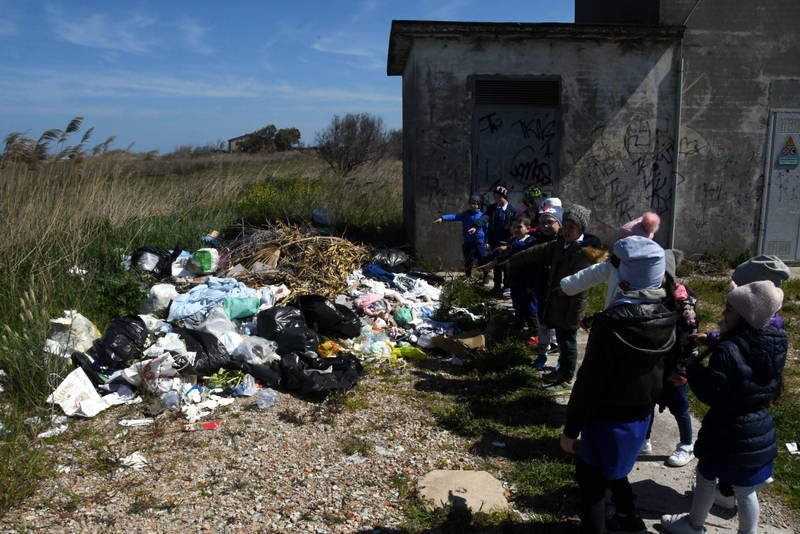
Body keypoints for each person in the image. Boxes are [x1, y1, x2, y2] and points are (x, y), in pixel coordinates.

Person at [560, 235, 679, 534]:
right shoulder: (667, 316)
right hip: (640, 414)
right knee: (618, 467)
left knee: (592, 485)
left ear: (622, 278)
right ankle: (630, 517)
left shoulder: (610, 323)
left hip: (605, 418)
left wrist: (571, 430)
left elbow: (589, 383)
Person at [661, 280, 786, 534]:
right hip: (758, 426)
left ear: (744, 317)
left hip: (726, 430)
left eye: (728, 310)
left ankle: (694, 524)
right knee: (745, 489)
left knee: (706, 476)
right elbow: (744, 347)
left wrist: (693, 368)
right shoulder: (774, 342)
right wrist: (712, 339)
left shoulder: (728, 351)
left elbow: (711, 392)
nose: (722, 314)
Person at [507, 203, 604, 391]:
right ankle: (561, 372)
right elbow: (537, 251)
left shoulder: (585, 252)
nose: (566, 230)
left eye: (571, 227)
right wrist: (514, 259)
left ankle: (567, 379)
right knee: (561, 338)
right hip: (557, 301)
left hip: (572, 305)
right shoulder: (561, 244)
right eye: (565, 226)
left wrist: (574, 316)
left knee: (568, 342)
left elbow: (581, 288)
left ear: (581, 229)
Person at [640, 249, 699, 467]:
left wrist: (682, 370)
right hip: (654, 364)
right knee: (648, 402)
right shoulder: (650, 294)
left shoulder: (684, 305)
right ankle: (644, 439)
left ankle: (686, 444)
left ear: (668, 274)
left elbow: (690, 340)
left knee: (679, 407)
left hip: (674, 366)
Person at [559, 211, 661, 310]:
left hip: (635, 319)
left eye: (624, 240)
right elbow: (593, 274)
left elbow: (593, 274)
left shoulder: (653, 267)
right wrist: (567, 286)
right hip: (614, 318)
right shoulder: (617, 263)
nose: (620, 243)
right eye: (620, 239)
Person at [487, 216, 540, 338]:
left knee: (530, 308)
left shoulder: (530, 242)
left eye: (519, 227)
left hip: (527, 282)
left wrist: (493, 262)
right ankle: (518, 330)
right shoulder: (514, 242)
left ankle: (535, 333)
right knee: (518, 306)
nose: (516, 229)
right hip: (515, 281)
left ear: (528, 228)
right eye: (514, 227)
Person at [469, 184, 518, 295]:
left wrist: (511, 228)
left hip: (507, 241)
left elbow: (517, 224)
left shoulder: (512, 210)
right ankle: (496, 286)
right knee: (495, 264)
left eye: (497, 196)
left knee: (506, 264)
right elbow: (484, 218)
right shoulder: (492, 209)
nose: (495, 199)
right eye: (494, 196)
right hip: (495, 241)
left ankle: (507, 286)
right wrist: (475, 227)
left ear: (503, 196)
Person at [434, 194, 489, 282]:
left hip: (480, 243)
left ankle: (486, 277)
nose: (474, 205)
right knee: (468, 260)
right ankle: (468, 277)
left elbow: (487, 229)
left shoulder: (482, 216)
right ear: (469, 204)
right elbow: (454, 216)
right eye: (472, 203)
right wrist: (442, 218)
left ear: (479, 205)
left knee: (483, 259)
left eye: (476, 204)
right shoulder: (465, 215)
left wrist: (487, 241)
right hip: (468, 242)